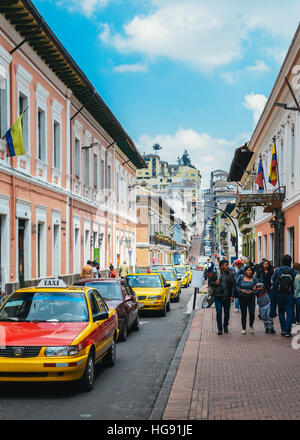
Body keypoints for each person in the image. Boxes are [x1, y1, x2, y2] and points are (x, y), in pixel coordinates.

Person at [271, 254, 297, 337]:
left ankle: (283, 329)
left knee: (281, 311)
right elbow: (295, 283)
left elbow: (273, 280)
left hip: (280, 294)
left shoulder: (278, 270)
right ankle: (288, 330)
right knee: (290, 312)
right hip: (290, 294)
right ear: (290, 261)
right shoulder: (294, 271)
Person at [208, 259, 236, 335]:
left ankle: (225, 326)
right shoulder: (215, 273)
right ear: (221, 266)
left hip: (227, 297)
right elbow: (210, 282)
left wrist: (232, 296)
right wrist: (215, 282)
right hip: (218, 296)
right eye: (226, 265)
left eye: (227, 265)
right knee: (219, 313)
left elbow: (233, 285)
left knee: (227, 313)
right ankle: (220, 329)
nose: (227, 266)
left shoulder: (230, 274)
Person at [236, 265, 257, 334]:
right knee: (243, 313)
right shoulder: (240, 277)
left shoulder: (254, 279)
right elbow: (236, 286)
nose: (250, 272)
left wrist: (253, 291)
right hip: (242, 298)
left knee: (252, 313)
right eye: (248, 270)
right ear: (245, 271)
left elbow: (260, 287)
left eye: (251, 270)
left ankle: (251, 326)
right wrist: (241, 290)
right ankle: (243, 328)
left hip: (251, 298)